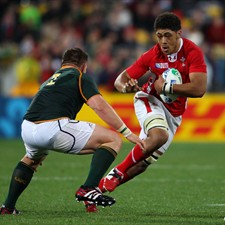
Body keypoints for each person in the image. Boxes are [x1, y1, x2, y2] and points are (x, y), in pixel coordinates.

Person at [0, 48, 144, 214]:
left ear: (63, 64)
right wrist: (127, 132)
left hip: (27, 127)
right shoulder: (80, 76)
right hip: (52, 126)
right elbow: (99, 106)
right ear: (83, 66)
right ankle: (88, 188)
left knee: (30, 160)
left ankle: (8, 207)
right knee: (112, 140)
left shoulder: (49, 80)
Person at [99, 12, 207, 194]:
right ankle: (116, 172)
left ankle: (96, 190)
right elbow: (121, 79)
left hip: (174, 114)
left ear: (179, 33)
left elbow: (199, 89)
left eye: (167, 36)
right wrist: (125, 88)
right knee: (159, 136)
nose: (163, 41)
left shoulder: (192, 52)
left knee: (142, 164)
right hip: (149, 99)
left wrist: (168, 88)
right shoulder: (152, 55)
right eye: (159, 36)